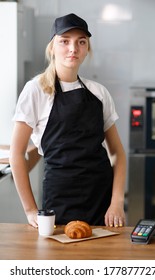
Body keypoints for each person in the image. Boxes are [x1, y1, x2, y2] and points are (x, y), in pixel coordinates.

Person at [9, 13, 126, 228]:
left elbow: (117, 152)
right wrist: (30, 210)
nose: (73, 49)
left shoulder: (99, 93)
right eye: (65, 41)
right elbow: (16, 153)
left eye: (81, 42)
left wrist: (117, 202)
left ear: (87, 48)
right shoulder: (35, 90)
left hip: (102, 200)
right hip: (59, 202)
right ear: (52, 46)